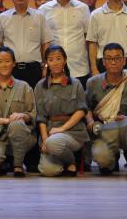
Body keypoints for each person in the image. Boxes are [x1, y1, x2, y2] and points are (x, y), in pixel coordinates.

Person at [85, 43, 127, 178]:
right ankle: (110, 162)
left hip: (125, 128)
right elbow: (85, 106)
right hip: (104, 129)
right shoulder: (93, 83)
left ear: (124, 61)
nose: (113, 62)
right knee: (102, 158)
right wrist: (90, 121)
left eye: (117, 58)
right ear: (103, 62)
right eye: (109, 58)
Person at [0, 46, 37, 177]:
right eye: (0, 61)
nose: (4, 65)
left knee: (17, 124)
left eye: (8, 61)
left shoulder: (24, 87)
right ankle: (3, 160)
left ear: (14, 63)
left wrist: (22, 115)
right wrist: (8, 120)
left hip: (21, 135)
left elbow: (32, 114)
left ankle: (18, 165)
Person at [34, 45, 89, 177]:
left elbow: (82, 110)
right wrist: (45, 138)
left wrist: (62, 128)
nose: (55, 63)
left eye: (58, 58)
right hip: (50, 132)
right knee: (48, 170)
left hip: (73, 131)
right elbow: (40, 116)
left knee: (54, 143)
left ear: (65, 60)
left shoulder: (75, 84)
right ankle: (65, 159)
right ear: (46, 63)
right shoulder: (40, 86)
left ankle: (71, 161)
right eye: (51, 59)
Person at [0, 0, 54, 87]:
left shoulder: (39, 16)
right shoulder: (2, 18)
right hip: (10, 69)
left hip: (34, 69)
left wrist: (46, 66)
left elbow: (46, 43)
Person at [40, 0, 91, 88]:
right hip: (53, 68)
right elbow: (42, 41)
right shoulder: (43, 10)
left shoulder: (83, 8)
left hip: (79, 67)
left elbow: (88, 37)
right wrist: (45, 65)